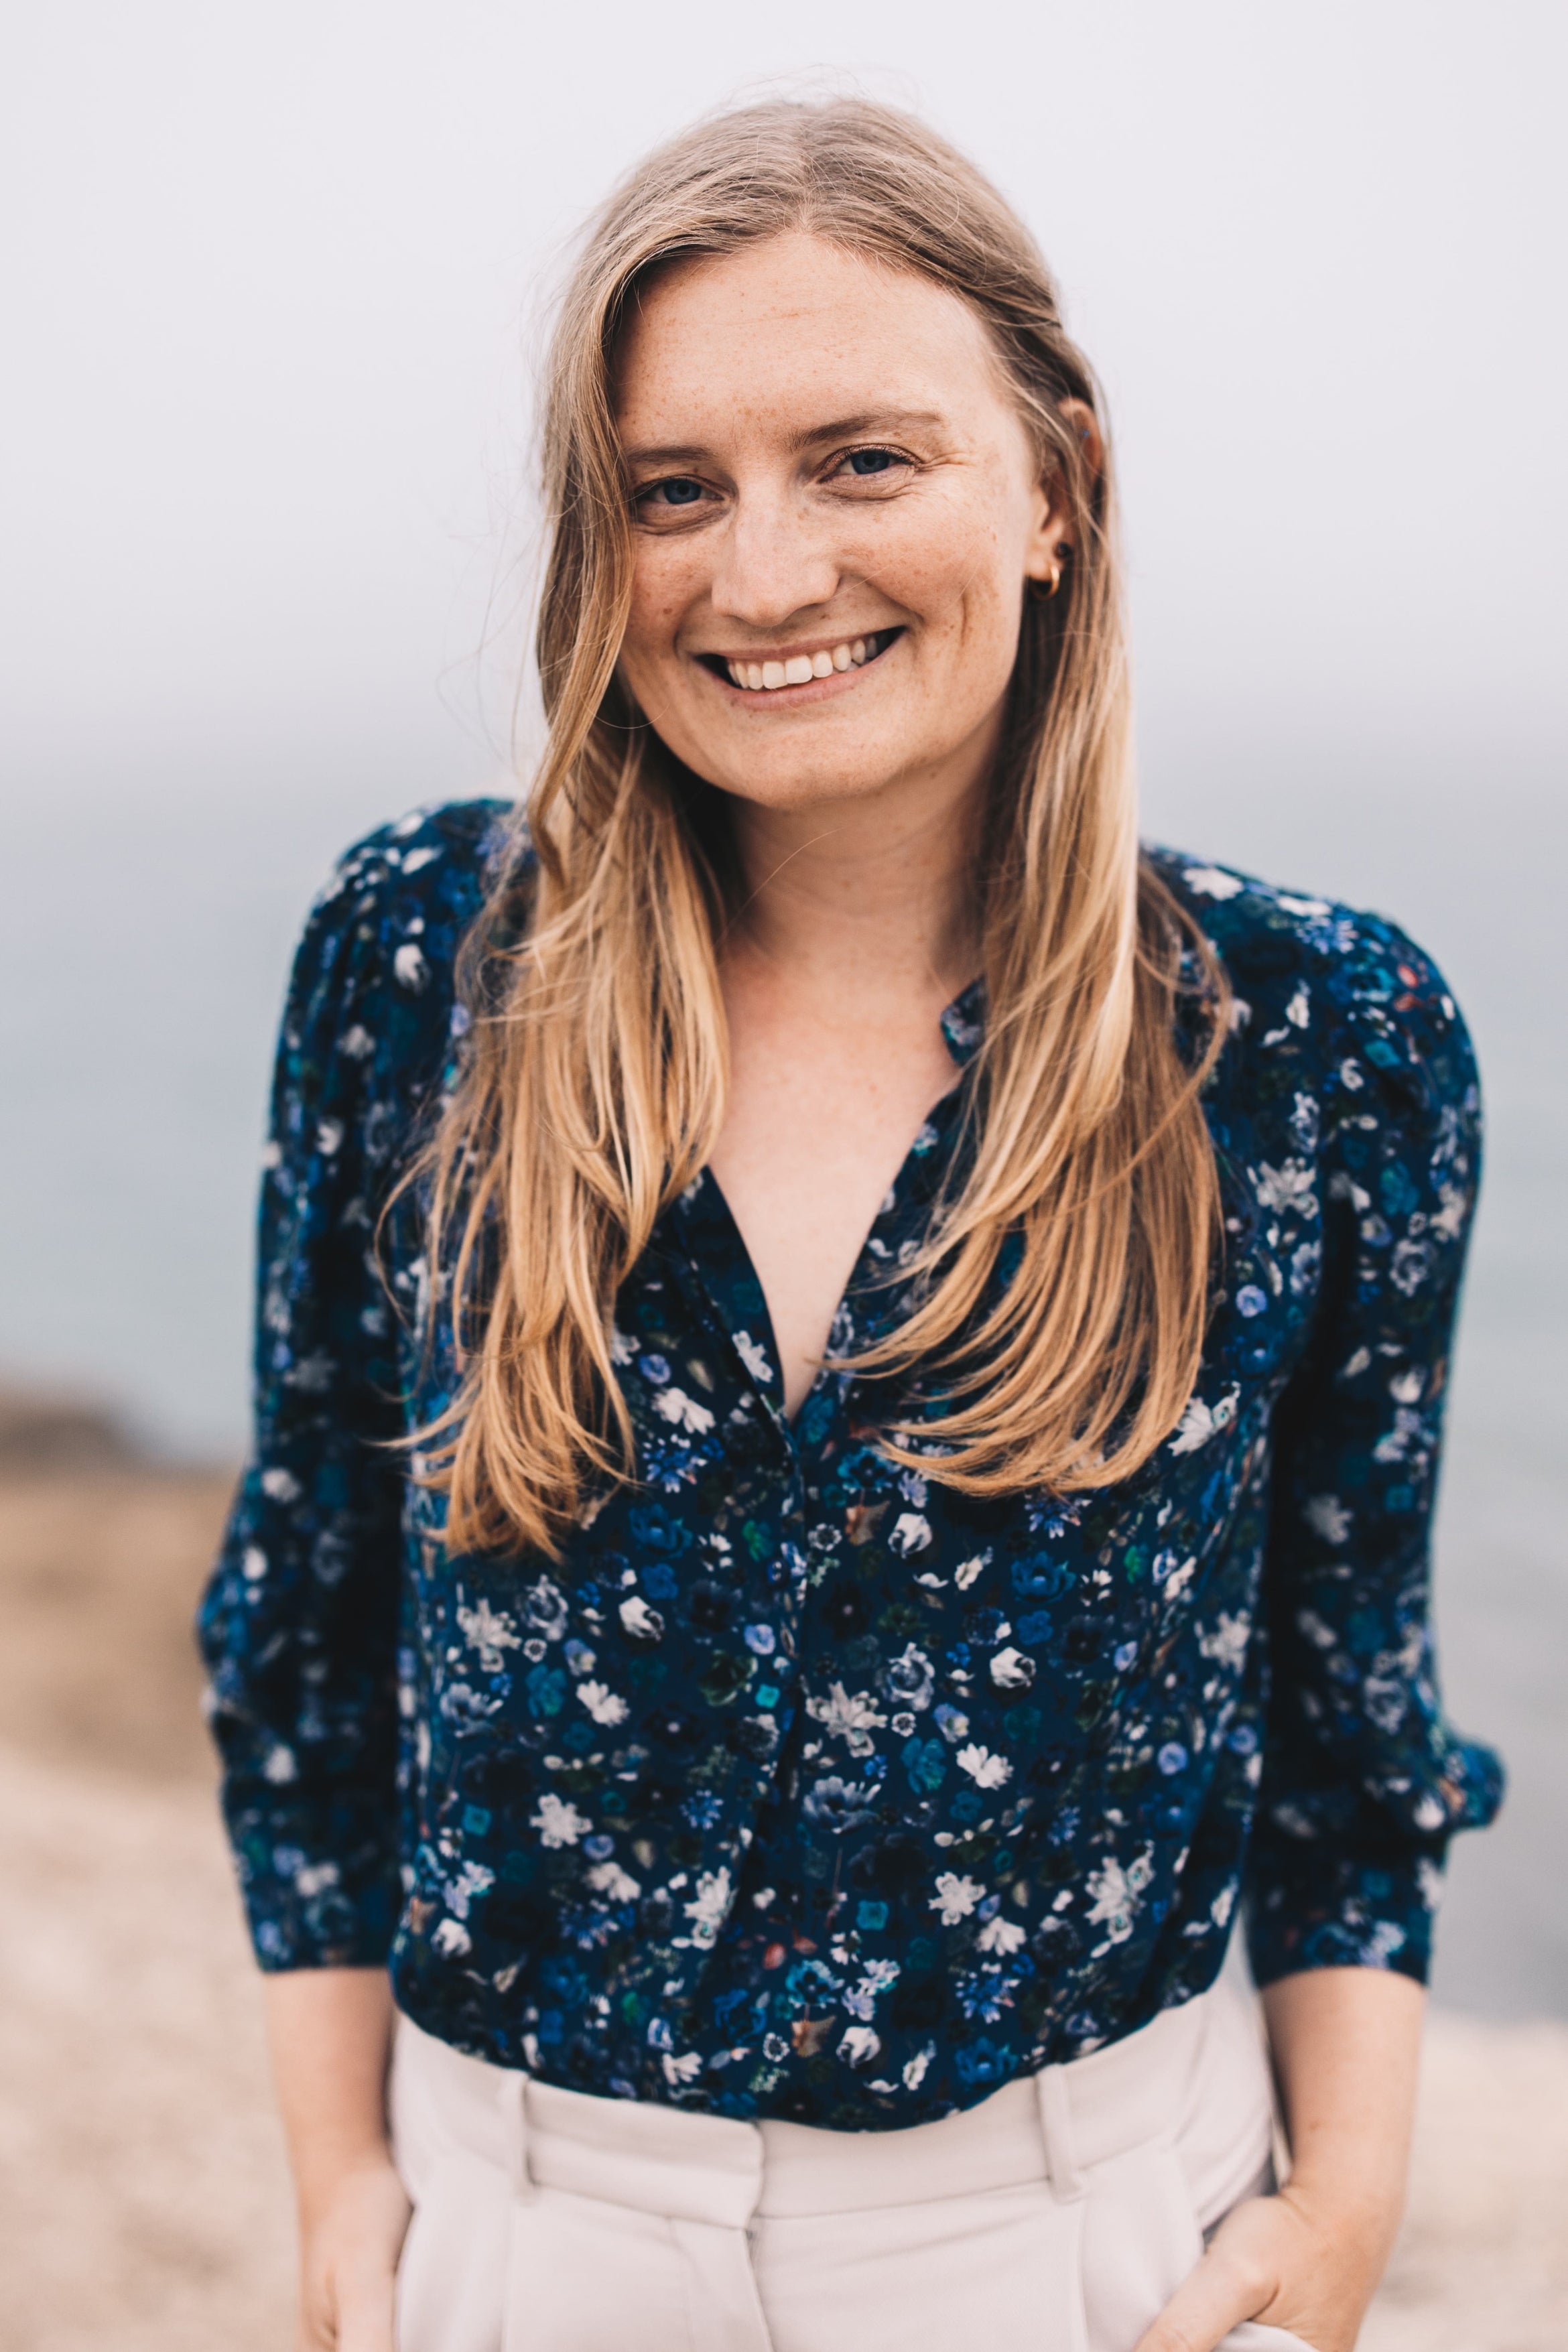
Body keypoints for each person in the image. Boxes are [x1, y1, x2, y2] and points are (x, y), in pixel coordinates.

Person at [198, 98, 1502, 2352]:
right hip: (516, 2228)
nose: (763, 574)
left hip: (1090, 2241)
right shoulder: (421, 966)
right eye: (668, 492)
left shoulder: (1316, 1041)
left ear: (1056, 487)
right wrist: (345, 2188)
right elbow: (307, 1616)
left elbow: (1342, 1701)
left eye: (862, 460)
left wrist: (1348, 2203)